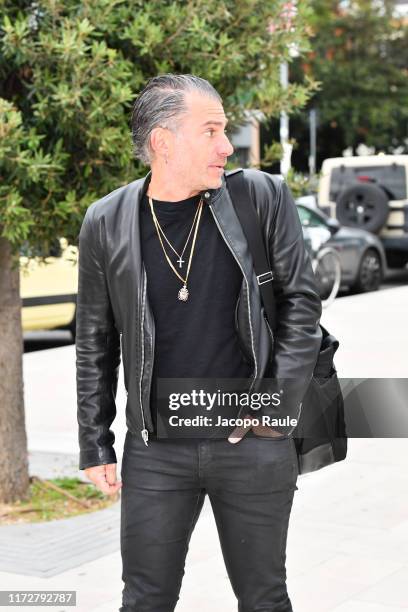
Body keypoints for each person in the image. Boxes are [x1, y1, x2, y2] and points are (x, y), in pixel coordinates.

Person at [76, 74, 322, 612]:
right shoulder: (106, 221)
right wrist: (95, 441)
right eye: (210, 130)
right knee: (145, 599)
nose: (226, 145)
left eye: (225, 130)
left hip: (253, 442)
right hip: (156, 450)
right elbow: (94, 338)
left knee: (264, 598)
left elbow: (301, 304)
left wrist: (274, 407)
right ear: (163, 142)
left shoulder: (261, 196)